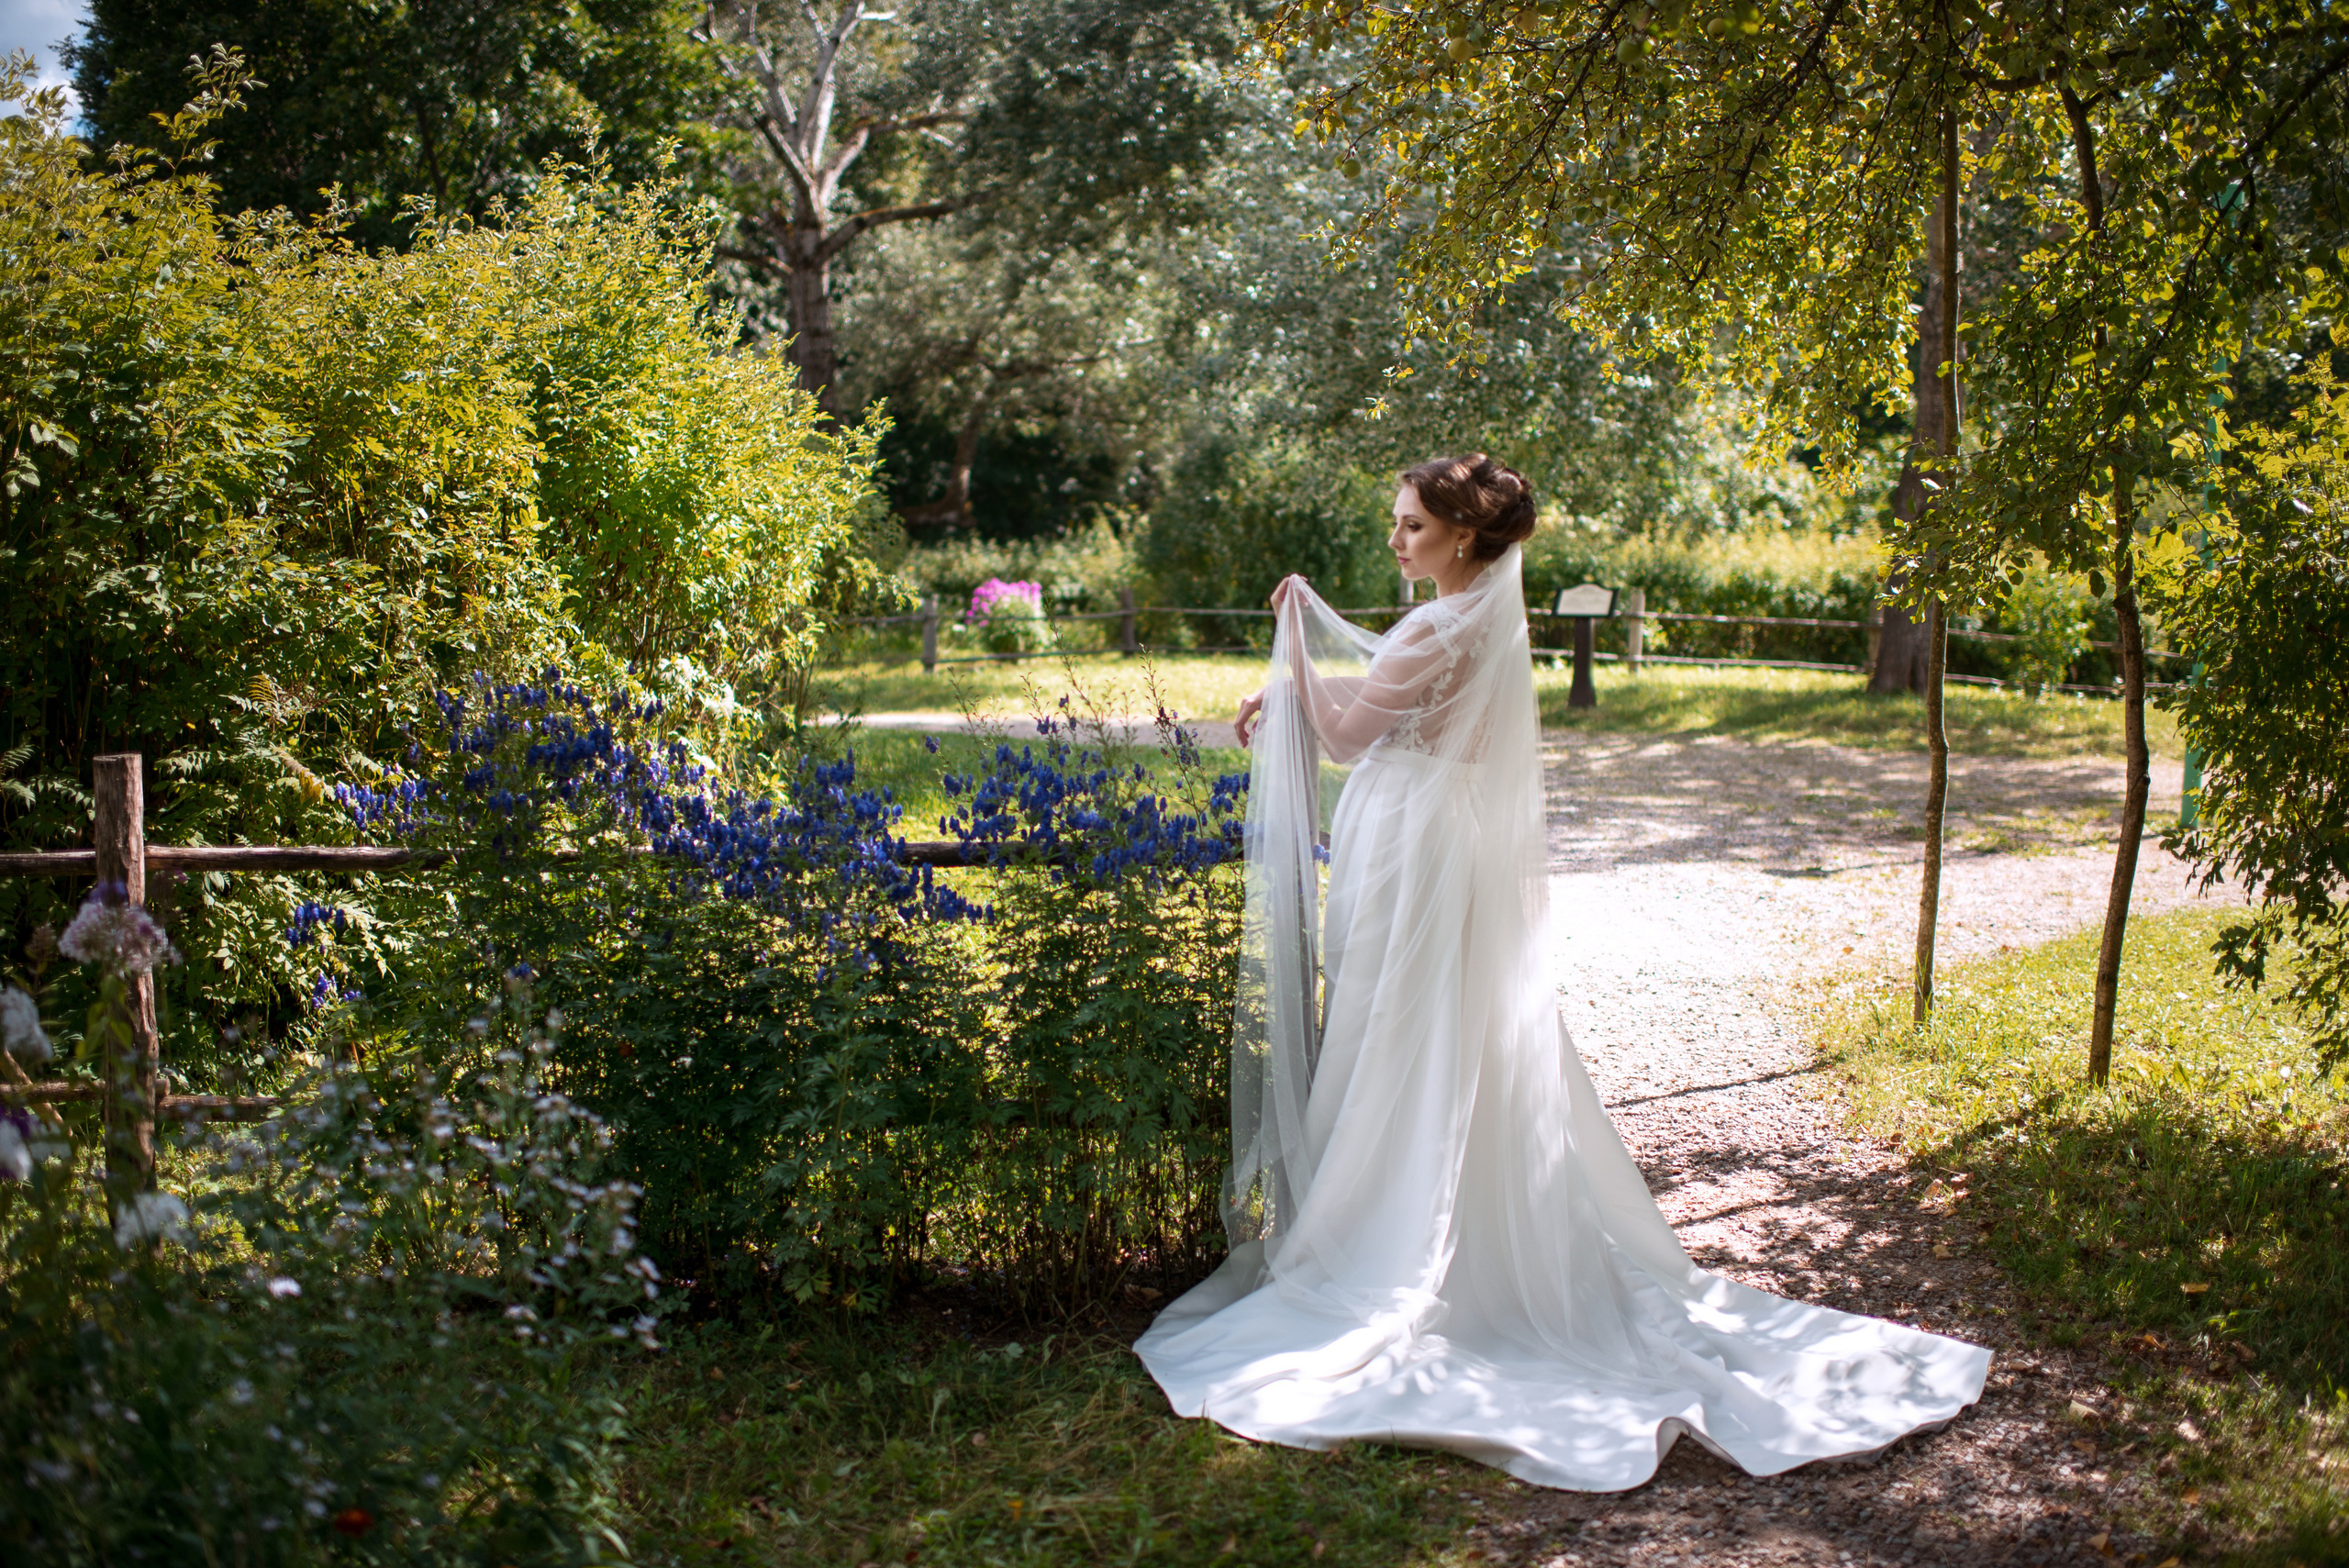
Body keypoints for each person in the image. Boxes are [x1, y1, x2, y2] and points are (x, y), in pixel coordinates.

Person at [1134, 454, 1988, 1491]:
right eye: (1398, 523)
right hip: (1443, 840)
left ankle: (1392, 1235)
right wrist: (1303, 674)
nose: (1398, 539)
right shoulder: (1477, 621)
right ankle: (1448, 1210)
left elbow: (1351, 738)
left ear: (1461, 536)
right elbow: (1392, 700)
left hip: (1412, 843)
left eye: (1412, 526)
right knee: (1450, 1028)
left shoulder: (1434, 625)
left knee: (1401, 1025)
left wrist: (1292, 658)